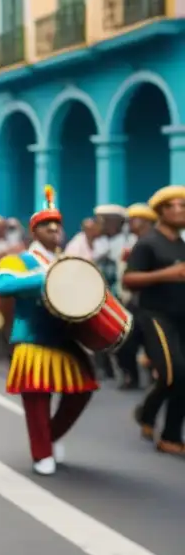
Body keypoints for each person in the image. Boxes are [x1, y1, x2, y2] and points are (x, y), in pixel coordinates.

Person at [0, 186, 97, 476]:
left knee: (83, 390)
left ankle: (49, 439)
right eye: (46, 226)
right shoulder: (19, 260)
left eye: (57, 225)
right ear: (33, 232)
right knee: (37, 398)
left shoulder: (67, 260)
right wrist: (45, 277)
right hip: (32, 338)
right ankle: (41, 453)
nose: (54, 230)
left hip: (65, 336)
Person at [123, 186, 185, 454]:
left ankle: (162, 427)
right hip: (155, 316)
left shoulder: (181, 245)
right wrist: (166, 274)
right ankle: (163, 429)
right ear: (161, 211)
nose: (180, 211)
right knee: (176, 373)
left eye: (183, 206)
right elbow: (129, 280)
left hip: (181, 316)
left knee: (182, 376)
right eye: (174, 206)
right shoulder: (148, 242)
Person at [116, 204, 160, 389]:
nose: (130, 223)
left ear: (146, 222)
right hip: (136, 302)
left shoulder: (157, 244)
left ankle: (158, 376)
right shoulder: (133, 244)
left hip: (157, 303)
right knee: (124, 340)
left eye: (134, 219)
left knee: (158, 343)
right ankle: (132, 375)